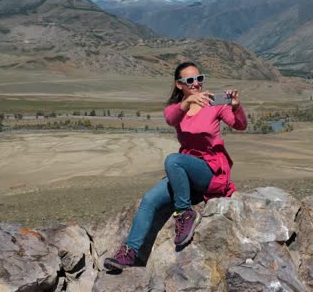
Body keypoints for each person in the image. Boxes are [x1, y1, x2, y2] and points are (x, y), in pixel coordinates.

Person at [104, 61, 247, 270]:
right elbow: (171, 118)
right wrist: (188, 102)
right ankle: (129, 252)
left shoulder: (214, 104)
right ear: (179, 85)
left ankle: (184, 213)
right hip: (184, 174)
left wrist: (236, 107)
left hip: (209, 171)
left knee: (173, 159)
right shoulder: (176, 110)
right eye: (190, 80)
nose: (196, 84)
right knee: (149, 200)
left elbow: (240, 125)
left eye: (200, 78)